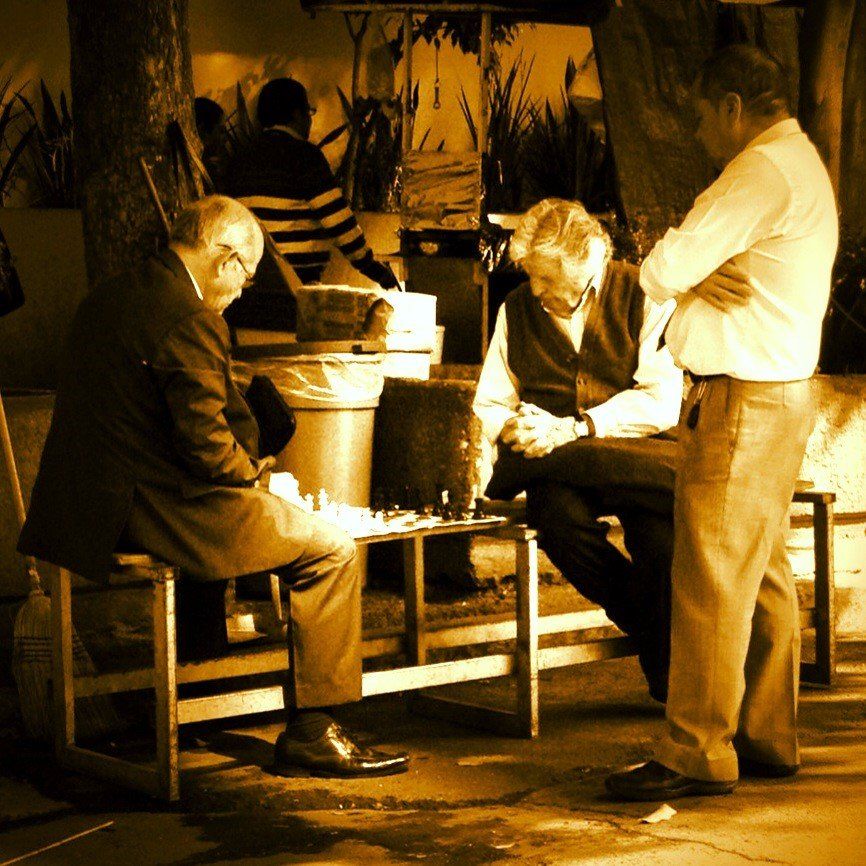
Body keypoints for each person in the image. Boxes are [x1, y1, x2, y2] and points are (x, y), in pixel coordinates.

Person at [18, 195, 408, 778]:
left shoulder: (110, 296)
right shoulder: (189, 316)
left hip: (82, 505)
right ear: (225, 260)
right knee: (331, 549)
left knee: (258, 523)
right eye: (245, 279)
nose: (241, 293)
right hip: (146, 507)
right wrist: (261, 480)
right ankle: (314, 730)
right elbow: (206, 447)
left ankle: (203, 692)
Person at [606, 44, 838, 801]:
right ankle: (766, 735)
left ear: (733, 106)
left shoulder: (758, 170)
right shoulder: (800, 165)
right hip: (778, 394)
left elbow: (659, 270)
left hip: (741, 398)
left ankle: (696, 748)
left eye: (703, 116)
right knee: (759, 571)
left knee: (710, 574)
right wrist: (699, 271)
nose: (700, 133)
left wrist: (689, 269)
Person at [473, 198, 683, 701]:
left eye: (545, 277)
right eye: (531, 275)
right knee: (556, 520)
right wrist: (517, 428)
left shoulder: (645, 294)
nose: (535, 288)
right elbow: (491, 403)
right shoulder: (517, 308)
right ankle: (661, 641)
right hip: (561, 467)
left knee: (660, 545)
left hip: (638, 458)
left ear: (585, 260)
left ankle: (671, 679)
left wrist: (577, 428)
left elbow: (661, 401)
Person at [224, 77, 398, 288]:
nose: (309, 120)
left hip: (247, 283)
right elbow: (338, 221)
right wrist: (376, 271)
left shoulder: (241, 158)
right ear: (297, 114)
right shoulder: (305, 157)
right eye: (309, 112)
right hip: (296, 282)